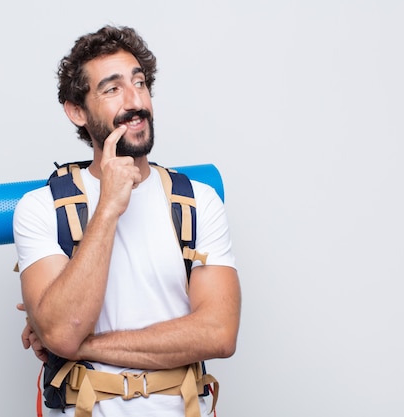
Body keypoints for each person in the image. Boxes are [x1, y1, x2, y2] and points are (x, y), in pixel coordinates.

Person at [13, 25, 241, 417]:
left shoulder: (198, 201)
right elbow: (65, 327)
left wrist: (78, 346)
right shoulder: (39, 208)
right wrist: (108, 208)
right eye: (112, 88)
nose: (136, 101)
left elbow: (219, 334)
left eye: (140, 83)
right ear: (77, 111)